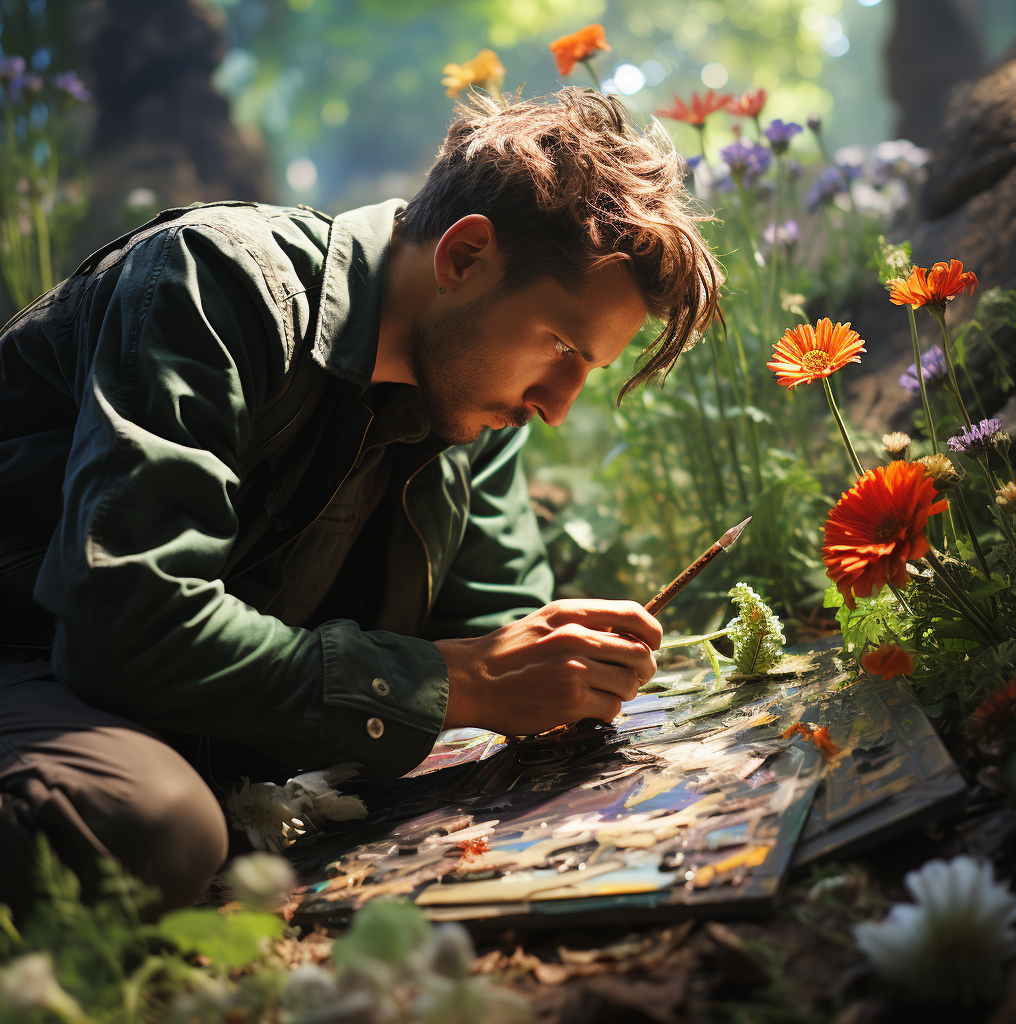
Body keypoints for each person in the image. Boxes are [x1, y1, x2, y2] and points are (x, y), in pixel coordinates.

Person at [0, 88, 719, 917]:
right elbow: (126, 623)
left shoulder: (472, 407)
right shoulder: (216, 283)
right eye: (559, 346)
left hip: (170, 730)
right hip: (31, 667)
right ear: (463, 258)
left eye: (586, 368)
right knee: (153, 828)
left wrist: (555, 667)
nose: (558, 404)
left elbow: (493, 639)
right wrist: (463, 685)